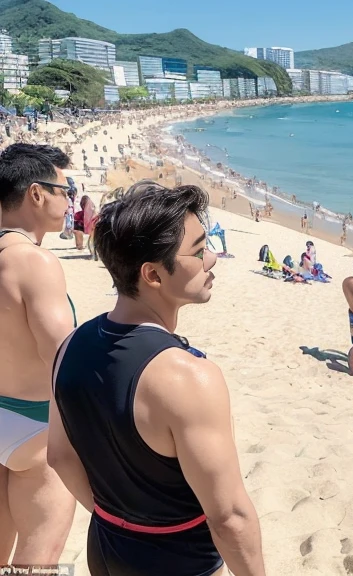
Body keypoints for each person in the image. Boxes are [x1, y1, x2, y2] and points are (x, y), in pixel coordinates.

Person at [47, 181, 266, 576]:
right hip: (179, 558)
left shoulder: (69, 347)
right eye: (199, 251)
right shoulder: (188, 377)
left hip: (106, 545)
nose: (212, 259)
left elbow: (59, 456)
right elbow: (230, 516)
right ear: (152, 274)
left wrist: (119, 519)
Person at [0, 144, 77, 566]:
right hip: (32, 424)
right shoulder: (34, 261)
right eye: (64, 191)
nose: (69, 201)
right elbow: (64, 358)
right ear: (36, 194)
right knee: (37, 560)